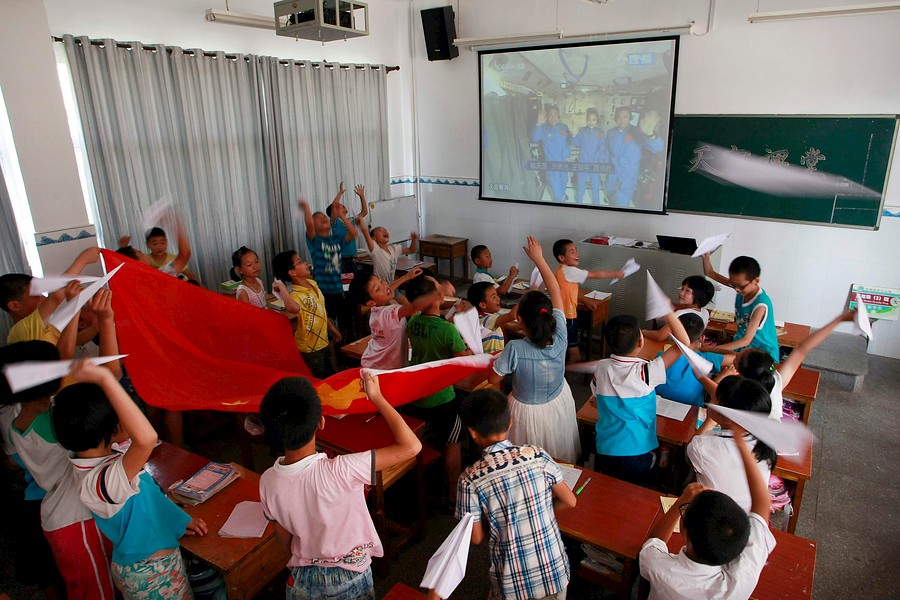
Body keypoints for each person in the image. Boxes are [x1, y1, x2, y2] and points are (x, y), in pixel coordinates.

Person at [258, 373, 421, 600]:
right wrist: (377, 398)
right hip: (348, 578)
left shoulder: (267, 481)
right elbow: (412, 447)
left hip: (301, 579)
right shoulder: (342, 470)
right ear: (321, 421)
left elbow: (284, 539)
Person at [52, 360, 206, 599]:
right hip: (151, 574)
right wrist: (104, 380)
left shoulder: (101, 464)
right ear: (106, 428)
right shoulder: (101, 482)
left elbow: (146, 500)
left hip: (157, 563)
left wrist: (178, 520)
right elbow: (146, 438)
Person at [1, 342, 116, 599]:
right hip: (79, 516)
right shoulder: (60, 422)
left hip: (52, 512)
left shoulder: (9, 418)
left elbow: (15, 459)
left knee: (80, 586)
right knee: (98, 588)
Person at [456, 388, 576, 600]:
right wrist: (542, 506)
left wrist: (500, 517)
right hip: (555, 572)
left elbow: (476, 538)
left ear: (472, 432)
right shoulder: (537, 454)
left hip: (512, 585)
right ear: (510, 422)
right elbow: (570, 501)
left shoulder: (469, 479)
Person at [640, 422, 776, 599]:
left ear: (683, 529)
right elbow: (763, 503)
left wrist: (681, 500)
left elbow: (653, 541)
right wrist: (743, 448)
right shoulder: (740, 583)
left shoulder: (657, 567)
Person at [488, 236, 580, 463]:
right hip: (559, 403)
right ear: (548, 315)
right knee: (557, 456)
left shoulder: (515, 348)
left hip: (526, 413)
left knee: (525, 460)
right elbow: (556, 291)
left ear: (519, 320)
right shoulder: (561, 335)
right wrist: (539, 259)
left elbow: (492, 379)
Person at [591, 311, 691, 485]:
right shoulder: (645, 372)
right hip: (636, 451)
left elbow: (594, 400)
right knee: (636, 493)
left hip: (605, 449)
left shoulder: (601, 368)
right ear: (640, 342)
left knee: (607, 489)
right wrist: (668, 312)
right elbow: (684, 343)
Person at [403, 274, 472, 497]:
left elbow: (435, 329)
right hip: (441, 398)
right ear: (433, 298)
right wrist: (471, 348)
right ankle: (454, 493)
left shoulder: (413, 321)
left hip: (416, 394)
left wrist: (451, 318)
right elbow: (462, 359)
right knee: (454, 441)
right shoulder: (448, 331)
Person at [734, 309, 856, 420]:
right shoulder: (773, 382)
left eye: (738, 355)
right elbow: (802, 348)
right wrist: (839, 320)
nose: (735, 354)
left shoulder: (741, 397)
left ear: (741, 372)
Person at [687, 377, 777, 513]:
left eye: (715, 398)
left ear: (728, 417)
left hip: (716, 518)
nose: (711, 398)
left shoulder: (702, 446)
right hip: (751, 517)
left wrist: (710, 420)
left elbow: (691, 449)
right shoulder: (764, 441)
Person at [2, 246, 101, 351]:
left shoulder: (45, 325)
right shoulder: (21, 330)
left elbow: (73, 341)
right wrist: (82, 260)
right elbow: (56, 296)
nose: (44, 298)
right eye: (36, 295)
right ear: (15, 305)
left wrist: (95, 326)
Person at [347, 268, 435, 370]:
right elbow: (413, 307)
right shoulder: (389, 313)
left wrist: (406, 277)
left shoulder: (377, 308)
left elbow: (387, 289)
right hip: (382, 370)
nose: (385, 285)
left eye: (381, 280)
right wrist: (438, 293)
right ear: (371, 302)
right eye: (377, 289)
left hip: (373, 363)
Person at [552, 238, 625, 363]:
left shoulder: (562, 270)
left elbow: (569, 291)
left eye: (576, 250)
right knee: (574, 356)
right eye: (572, 252)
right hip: (568, 318)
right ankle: (562, 377)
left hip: (563, 315)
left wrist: (585, 300)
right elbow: (594, 275)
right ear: (562, 257)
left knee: (566, 350)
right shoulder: (569, 271)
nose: (577, 254)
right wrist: (616, 273)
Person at [273, 251, 340, 379]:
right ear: (292, 272)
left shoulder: (312, 284)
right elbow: (292, 308)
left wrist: (330, 327)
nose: (305, 263)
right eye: (300, 262)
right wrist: (281, 288)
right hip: (310, 349)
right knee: (317, 379)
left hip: (323, 341)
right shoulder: (295, 295)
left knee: (331, 376)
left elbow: (321, 309)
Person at [701, 255, 780, 363]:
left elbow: (746, 340)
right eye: (733, 285)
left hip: (762, 352)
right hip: (743, 346)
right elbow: (710, 272)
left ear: (756, 281)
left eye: (740, 286)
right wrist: (706, 257)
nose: (737, 289)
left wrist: (712, 349)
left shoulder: (760, 305)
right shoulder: (741, 285)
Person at [301, 192, 358, 341]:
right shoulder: (315, 242)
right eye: (318, 219)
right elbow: (308, 225)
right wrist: (306, 208)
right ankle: (332, 352)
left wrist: (341, 216)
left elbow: (353, 232)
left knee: (345, 322)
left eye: (324, 217)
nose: (323, 218)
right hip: (323, 292)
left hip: (338, 290)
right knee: (328, 324)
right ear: (314, 226)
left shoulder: (336, 239)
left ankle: (344, 348)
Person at [655, 313, 732, 407]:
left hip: (658, 408)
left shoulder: (661, 356)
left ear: (673, 333)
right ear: (702, 338)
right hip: (692, 412)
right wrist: (709, 348)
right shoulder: (705, 358)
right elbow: (736, 357)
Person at [605, 106, 665, 209]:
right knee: (609, 193)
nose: (622, 120)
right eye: (619, 117)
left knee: (621, 202)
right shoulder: (611, 133)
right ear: (615, 118)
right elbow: (606, 151)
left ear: (630, 118)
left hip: (629, 174)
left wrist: (650, 134)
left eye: (625, 117)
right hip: (613, 171)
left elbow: (658, 147)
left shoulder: (637, 132)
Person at [643, 275, 716, 342]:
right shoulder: (705, 312)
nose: (681, 293)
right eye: (682, 288)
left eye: (687, 291)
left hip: (674, 349)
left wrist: (642, 332)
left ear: (698, 295)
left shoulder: (681, 314)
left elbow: (659, 336)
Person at [357, 215, 418, 284]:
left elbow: (411, 250)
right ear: (373, 238)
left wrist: (414, 240)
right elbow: (365, 231)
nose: (384, 231)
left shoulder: (394, 249)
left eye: (385, 230)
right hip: (381, 287)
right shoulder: (376, 250)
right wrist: (360, 218)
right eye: (380, 230)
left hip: (392, 284)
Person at [531, 105, 571, 203]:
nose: (553, 118)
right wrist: (538, 124)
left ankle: (562, 195)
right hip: (551, 166)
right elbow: (534, 138)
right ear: (547, 117)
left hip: (563, 164)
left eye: (555, 115)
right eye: (550, 115)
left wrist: (567, 152)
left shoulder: (564, 127)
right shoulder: (543, 129)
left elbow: (568, 141)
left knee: (563, 183)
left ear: (559, 116)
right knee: (556, 190)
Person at [466, 281, 520, 354]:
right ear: (483, 305)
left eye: (497, 295)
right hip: (490, 360)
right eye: (494, 297)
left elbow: (507, 325)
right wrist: (524, 300)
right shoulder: (483, 320)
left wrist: (518, 326)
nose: (498, 299)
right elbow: (512, 315)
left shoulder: (490, 317)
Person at [326, 183, 369, 274]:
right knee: (345, 283)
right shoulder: (335, 222)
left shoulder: (352, 220)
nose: (342, 206)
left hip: (352, 258)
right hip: (342, 259)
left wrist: (362, 196)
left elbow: (365, 212)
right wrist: (340, 193)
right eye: (340, 206)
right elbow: (334, 205)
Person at [570, 107, 609, 205]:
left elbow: (603, 148)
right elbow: (576, 142)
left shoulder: (600, 133)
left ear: (597, 121)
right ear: (586, 120)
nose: (591, 122)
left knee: (595, 186)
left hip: (594, 164)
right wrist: (570, 137)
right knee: (580, 184)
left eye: (594, 119)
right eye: (589, 119)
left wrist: (602, 161)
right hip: (583, 162)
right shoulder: (582, 131)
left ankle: (596, 204)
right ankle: (579, 202)